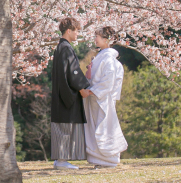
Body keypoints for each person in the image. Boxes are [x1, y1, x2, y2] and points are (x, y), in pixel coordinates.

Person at [51, 17, 92, 170]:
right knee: (66, 126)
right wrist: (82, 89)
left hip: (60, 92)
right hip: (66, 95)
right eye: (76, 31)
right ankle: (62, 161)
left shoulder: (60, 47)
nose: (77, 35)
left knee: (62, 125)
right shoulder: (66, 48)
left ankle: (59, 159)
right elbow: (73, 72)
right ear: (69, 31)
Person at [83, 26, 127, 168]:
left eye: (98, 36)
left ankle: (109, 159)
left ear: (107, 40)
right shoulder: (102, 56)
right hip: (96, 98)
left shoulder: (108, 59)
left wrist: (90, 91)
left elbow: (108, 82)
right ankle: (99, 159)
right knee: (96, 128)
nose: (95, 39)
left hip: (102, 99)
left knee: (104, 128)